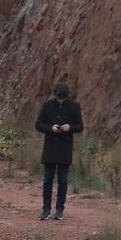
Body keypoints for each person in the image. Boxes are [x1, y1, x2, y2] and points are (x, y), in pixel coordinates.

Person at [35, 80, 84, 221]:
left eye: (63, 97)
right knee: (48, 180)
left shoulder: (74, 107)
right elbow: (38, 124)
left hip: (65, 148)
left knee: (63, 180)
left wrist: (70, 128)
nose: (61, 100)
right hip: (50, 147)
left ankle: (60, 210)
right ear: (55, 95)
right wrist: (51, 128)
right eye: (59, 97)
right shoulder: (48, 106)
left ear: (67, 96)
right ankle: (46, 209)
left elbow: (80, 126)